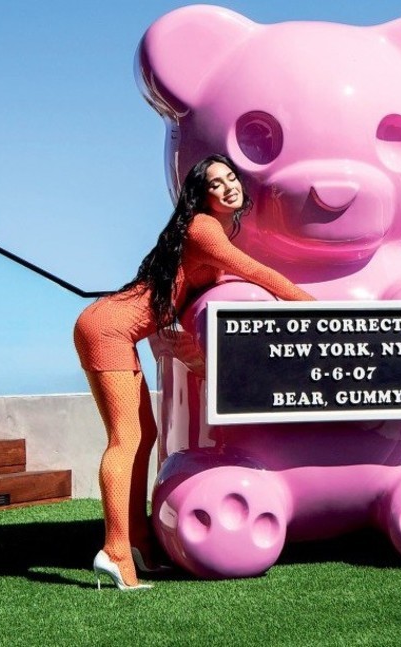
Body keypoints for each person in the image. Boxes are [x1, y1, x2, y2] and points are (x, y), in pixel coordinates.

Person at [74, 154, 314, 590]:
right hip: (107, 328)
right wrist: (311, 306)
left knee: (144, 436)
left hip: (114, 329)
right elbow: (255, 272)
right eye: (215, 184)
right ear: (201, 196)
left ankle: (138, 544)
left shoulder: (208, 231)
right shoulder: (203, 227)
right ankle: (114, 550)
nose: (228, 187)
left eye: (231, 178)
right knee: (125, 440)